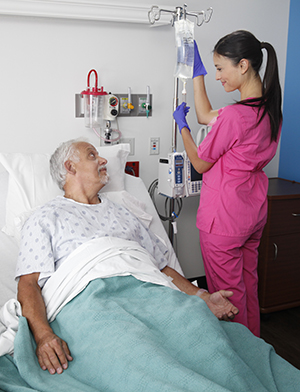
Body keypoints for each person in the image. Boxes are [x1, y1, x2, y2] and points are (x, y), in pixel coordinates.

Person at [16, 138, 239, 376]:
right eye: (92, 156)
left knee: (205, 334)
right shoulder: (45, 217)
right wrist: (44, 336)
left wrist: (201, 296)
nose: (103, 161)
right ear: (70, 167)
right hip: (92, 302)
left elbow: (161, 266)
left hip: (149, 293)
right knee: (133, 350)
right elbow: (28, 283)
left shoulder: (121, 212)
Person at [173, 30, 282, 337]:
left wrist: (183, 128)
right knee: (247, 287)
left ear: (243, 65)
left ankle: (237, 365)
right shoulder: (269, 111)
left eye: (221, 68)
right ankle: (256, 352)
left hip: (224, 219)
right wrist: (198, 75)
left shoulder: (235, 116)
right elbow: (208, 115)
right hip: (252, 213)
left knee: (226, 299)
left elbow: (200, 163)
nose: (218, 76)